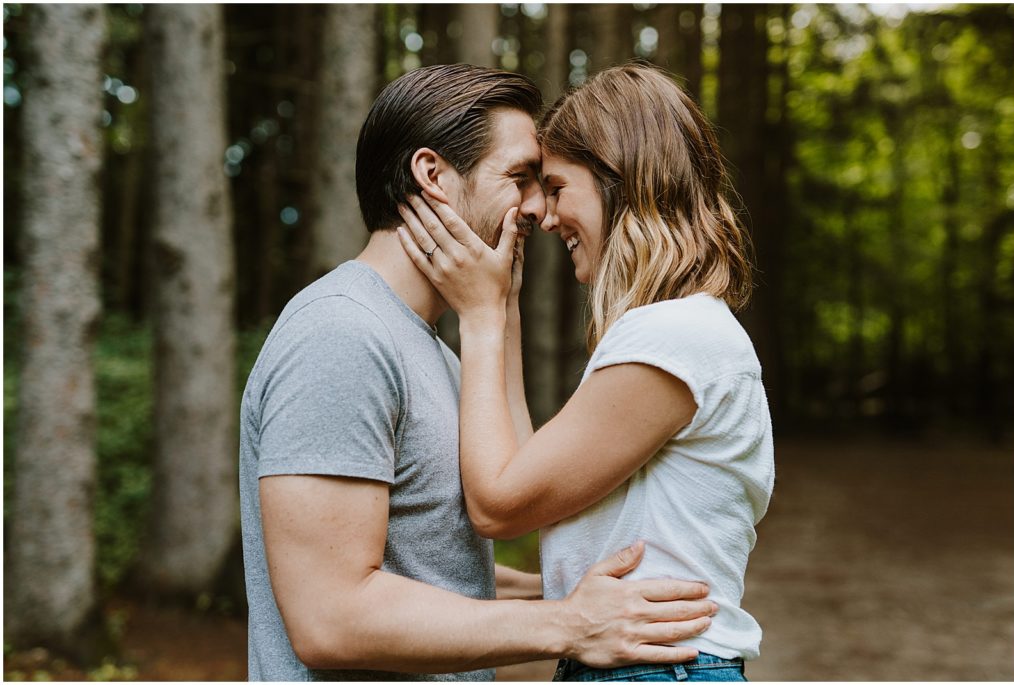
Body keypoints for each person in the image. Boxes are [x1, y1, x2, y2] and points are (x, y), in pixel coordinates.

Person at [239, 63, 718, 682]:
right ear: (432, 174)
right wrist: (568, 624)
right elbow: (331, 616)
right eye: (519, 179)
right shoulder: (340, 335)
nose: (537, 208)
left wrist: (578, 598)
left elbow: (429, 566)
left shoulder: (434, 351)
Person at [397, 63, 774, 682]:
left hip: (651, 667)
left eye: (557, 186)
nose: (542, 215)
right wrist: (504, 309)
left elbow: (498, 506)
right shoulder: (678, 333)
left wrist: (481, 318)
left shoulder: (675, 335)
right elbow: (521, 475)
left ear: (618, 180)